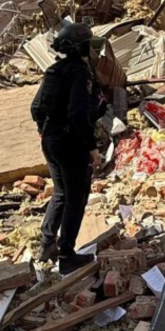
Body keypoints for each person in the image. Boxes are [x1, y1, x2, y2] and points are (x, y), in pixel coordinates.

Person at [30, 22, 102, 274]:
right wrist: (91, 147)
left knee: (61, 192)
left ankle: (47, 244)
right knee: (76, 198)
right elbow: (78, 115)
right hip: (70, 142)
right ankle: (67, 256)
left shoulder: (54, 70)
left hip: (50, 139)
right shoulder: (80, 73)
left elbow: (36, 108)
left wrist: (45, 130)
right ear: (83, 47)